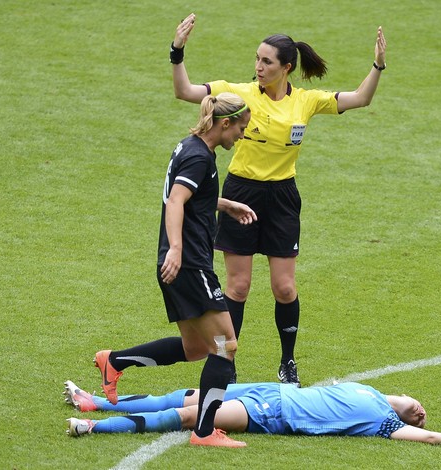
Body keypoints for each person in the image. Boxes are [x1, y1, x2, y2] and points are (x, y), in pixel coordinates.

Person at [93, 14, 389, 390]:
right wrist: (177, 50)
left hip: (282, 197)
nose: (258, 67)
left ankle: (287, 361)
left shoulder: (306, 102)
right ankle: (227, 363)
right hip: (239, 192)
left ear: (287, 67)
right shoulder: (239, 93)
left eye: (266, 62)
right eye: (257, 59)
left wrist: (378, 64)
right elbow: (184, 92)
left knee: (284, 287)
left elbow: (361, 98)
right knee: (239, 286)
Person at [97, 92, 255, 448]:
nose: (241, 136)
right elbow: (177, 201)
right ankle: (203, 432)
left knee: (196, 347)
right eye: (241, 128)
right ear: (224, 123)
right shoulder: (200, 158)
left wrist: (225, 205)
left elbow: (192, 195)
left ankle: (114, 361)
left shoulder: (190, 147)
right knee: (225, 346)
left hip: (181, 264)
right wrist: (178, 249)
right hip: (189, 264)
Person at [63, 380, 441, 453]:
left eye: (419, 416)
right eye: (417, 407)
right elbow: (402, 400)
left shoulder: (382, 423)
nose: (420, 413)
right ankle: (94, 402)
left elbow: (425, 439)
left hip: (272, 411)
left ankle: (92, 426)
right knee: (184, 393)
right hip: (269, 389)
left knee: (186, 415)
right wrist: (402, 399)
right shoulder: (374, 395)